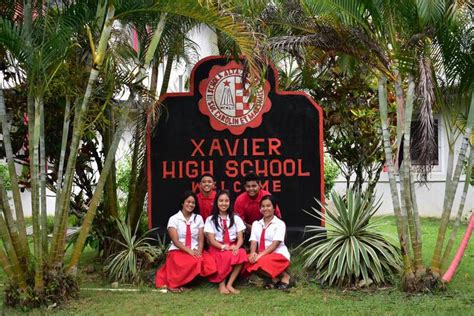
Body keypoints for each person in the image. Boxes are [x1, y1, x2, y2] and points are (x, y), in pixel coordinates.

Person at [155, 191, 217, 292]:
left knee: (209, 264)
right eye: (188, 202)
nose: (191, 204)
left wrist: (199, 252)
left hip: (195, 249)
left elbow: (201, 239)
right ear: (182, 203)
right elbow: (175, 241)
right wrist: (190, 252)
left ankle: (185, 284)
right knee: (192, 262)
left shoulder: (199, 218)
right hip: (178, 250)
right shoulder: (174, 219)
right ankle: (174, 284)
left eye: (193, 203)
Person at [204, 190, 247, 294]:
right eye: (221, 201)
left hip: (232, 245)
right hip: (217, 247)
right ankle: (221, 284)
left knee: (241, 253)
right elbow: (212, 240)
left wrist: (237, 246)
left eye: (226, 201)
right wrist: (223, 247)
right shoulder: (210, 219)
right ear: (216, 202)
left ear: (230, 202)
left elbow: (240, 238)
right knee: (225, 256)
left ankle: (230, 284)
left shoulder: (236, 218)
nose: (224, 203)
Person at [245, 195, 291, 290]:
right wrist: (253, 253)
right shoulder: (256, 224)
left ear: (274, 208)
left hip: (277, 255)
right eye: (263, 206)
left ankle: (285, 276)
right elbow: (253, 241)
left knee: (261, 261)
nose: (265, 208)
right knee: (246, 260)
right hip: (262, 254)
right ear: (260, 209)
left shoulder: (280, 224)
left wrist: (259, 256)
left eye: (268, 206)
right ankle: (275, 278)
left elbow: (275, 244)